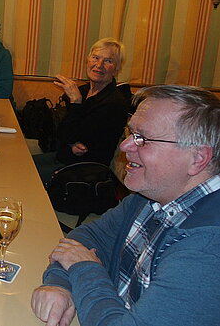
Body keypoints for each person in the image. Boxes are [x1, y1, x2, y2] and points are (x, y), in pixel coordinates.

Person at [31, 84, 220, 326]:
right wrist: (60, 285)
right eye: (130, 133)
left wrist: (83, 267)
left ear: (197, 158)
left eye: (142, 139)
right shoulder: (151, 197)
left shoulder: (206, 251)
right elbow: (86, 238)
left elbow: (79, 258)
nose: (125, 145)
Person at [33, 38, 130, 185]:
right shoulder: (83, 91)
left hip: (86, 170)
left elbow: (72, 137)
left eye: (108, 61)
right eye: (95, 58)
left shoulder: (114, 103)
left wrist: (76, 103)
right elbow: (62, 135)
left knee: (24, 175)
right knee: (19, 163)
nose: (99, 65)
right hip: (65, 157)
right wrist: (70, 144)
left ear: (116, 69)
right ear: (87, 60)